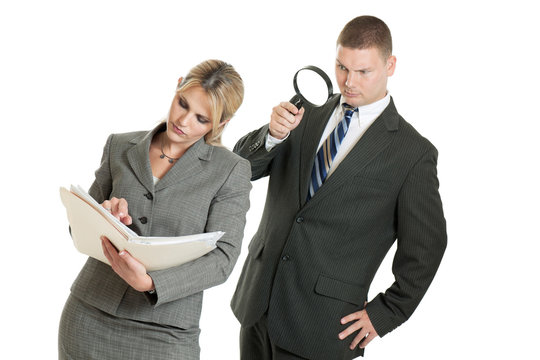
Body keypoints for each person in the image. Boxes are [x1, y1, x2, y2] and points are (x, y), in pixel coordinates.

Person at [231, 16, 447, 360]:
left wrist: (384, 313)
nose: (349, 82)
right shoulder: (307, 111)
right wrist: (272, 135)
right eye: (342, 67)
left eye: (364, 71)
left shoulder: (413, 153)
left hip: (323, 328)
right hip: (257, 303)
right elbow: (238, 168)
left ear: (390, 65)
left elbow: (427, 247)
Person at [58, 59, 252, 360]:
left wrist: (150, 284)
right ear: (177, 87)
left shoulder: (230, 171)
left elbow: (223, 259)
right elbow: (77, 230)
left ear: (221, 124)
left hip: (166, 332)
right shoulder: (120, 146)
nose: (184, 121)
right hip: (89, 316)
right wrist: (106, 216)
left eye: (201, 118)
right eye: (183, 103)